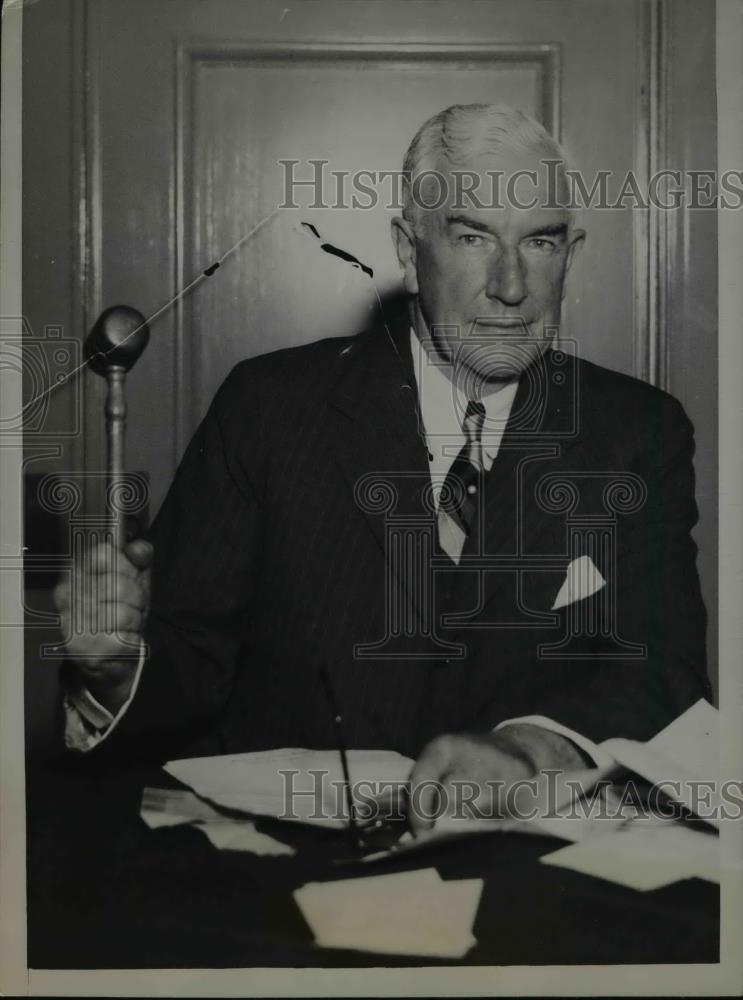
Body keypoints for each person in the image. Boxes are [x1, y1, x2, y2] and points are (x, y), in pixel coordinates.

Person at [54, 104, 710, 832]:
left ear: (571, 252)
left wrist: (532, 749)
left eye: (541, 243)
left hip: (527, 879)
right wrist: (115, 671)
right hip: (275, 881)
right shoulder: (268, 409)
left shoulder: (636, 431)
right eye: (471, 237)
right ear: (407, 246)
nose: (511, 285)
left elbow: (663, 671)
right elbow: (187, 657)